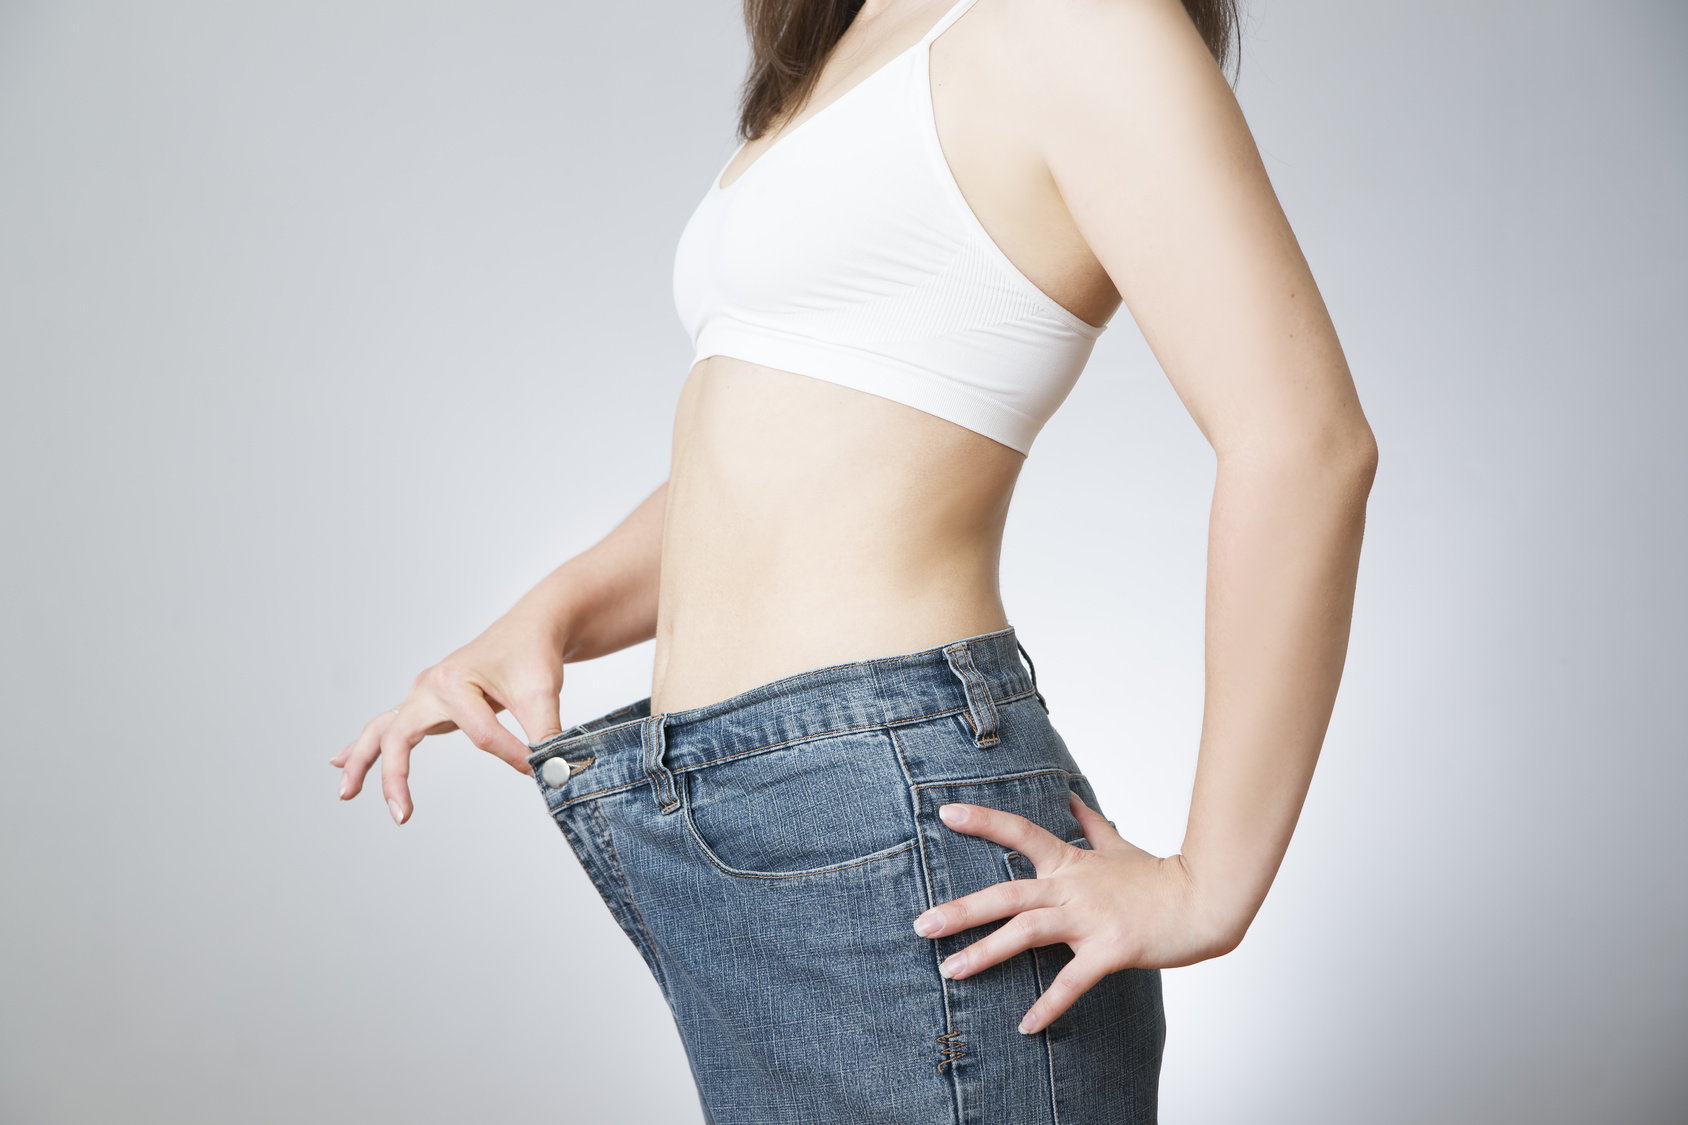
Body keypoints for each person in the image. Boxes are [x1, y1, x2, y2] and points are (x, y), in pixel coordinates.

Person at [332, 0, 1376, 1119]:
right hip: (735, 811)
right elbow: (797, 444)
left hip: (881, 800)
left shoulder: (1075, 18)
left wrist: (1208, 886)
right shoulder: (852, 38)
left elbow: (1303, 444)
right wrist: (550, 612)